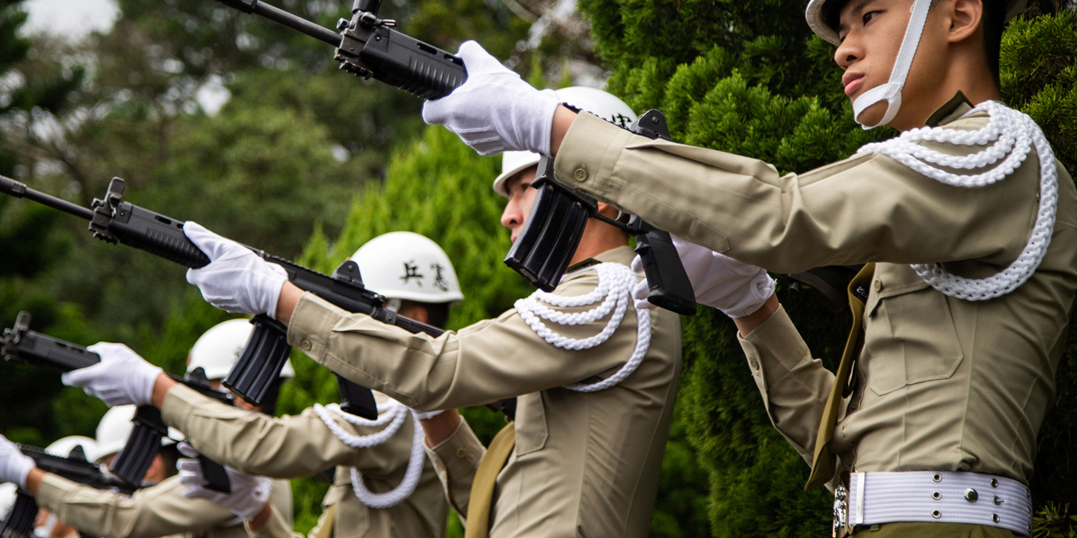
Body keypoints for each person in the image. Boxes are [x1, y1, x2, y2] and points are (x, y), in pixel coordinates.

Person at [418, 0, 1077, 538]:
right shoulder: (953, 183)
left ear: (960, 16)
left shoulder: (995, 152)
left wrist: (550, 123)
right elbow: (845, 448)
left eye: (868, 17)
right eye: (842, 30)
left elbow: (779, 211)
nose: (843, 48)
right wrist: (754, 309)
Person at [170, 88, 749, 538]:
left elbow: (437, 368)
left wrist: (275, 297)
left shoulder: (609, 294)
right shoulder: (597, 301)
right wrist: (438, 417)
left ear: (596, 188)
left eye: (523, 188)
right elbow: (501, 509)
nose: (508, 214)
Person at [63, 234, 464, 537]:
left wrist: (156, 388)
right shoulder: (386, 419)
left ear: (413, 316)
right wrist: (257, 513)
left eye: (356, 312)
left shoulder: (394, 417)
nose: (342, 325)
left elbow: (273, 446)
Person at [0, 323, 296, 538]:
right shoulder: (252, 462)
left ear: (244, 397)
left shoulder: (240, 467)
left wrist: (27, 476)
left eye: (205, 389)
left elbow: (127, 517)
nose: (192, 402)